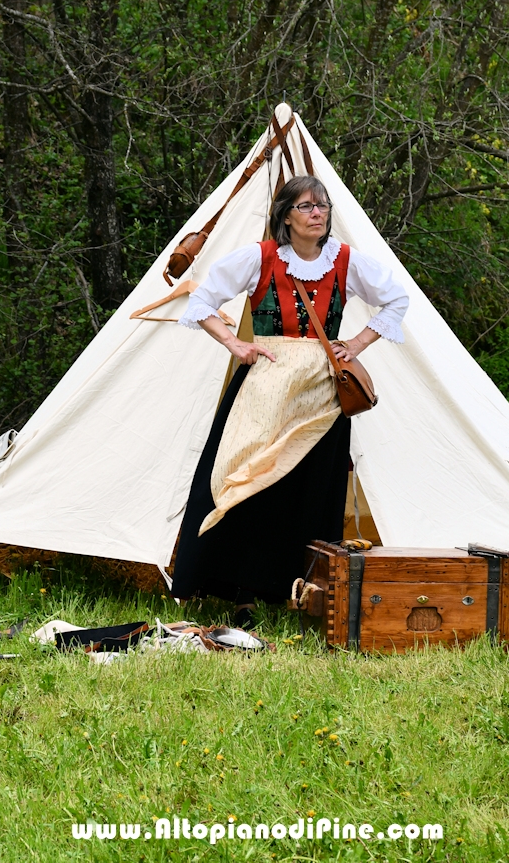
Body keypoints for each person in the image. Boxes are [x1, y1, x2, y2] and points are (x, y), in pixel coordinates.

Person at [172, 174, 409, 626]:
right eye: (306, 206)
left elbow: (397, 300)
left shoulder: (345, 261)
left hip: (321, 393)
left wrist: (354, 344)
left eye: (321, 206)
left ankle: (301, 591)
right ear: (285, 216)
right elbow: (201, 300)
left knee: (308, 491)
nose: (317, 213)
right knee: (249, 480)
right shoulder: (260, 259)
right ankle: (239, 592)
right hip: (265, 387)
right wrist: (236, 345)